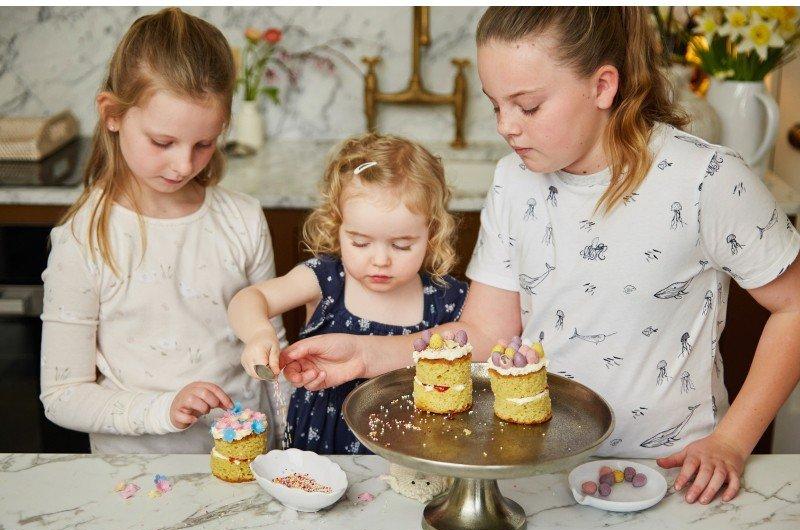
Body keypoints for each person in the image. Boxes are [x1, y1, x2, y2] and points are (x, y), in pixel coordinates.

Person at [280, 7, 800, 504]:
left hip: (672, 473)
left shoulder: (707, 179)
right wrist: (365, 355)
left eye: (527, 106)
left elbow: (793, 306)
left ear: (602, 86)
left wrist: (732, 441)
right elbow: (486, 335)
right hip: (538, 470)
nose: (506, 125)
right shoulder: (513, 180)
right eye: (495, 104)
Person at [40, 8, 287, 453]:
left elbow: (272, 349)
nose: (183, 165)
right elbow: (62, 396)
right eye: (162, 142)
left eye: (204, 144)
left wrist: (289, 447)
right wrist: (163, 409)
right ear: (112, 114)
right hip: (132, 479)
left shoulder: (243, 219)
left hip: (248, 467)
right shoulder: (83, 240)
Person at [228, 133, 468, 453]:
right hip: (323, 445)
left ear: (432, 233)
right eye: (360, 242)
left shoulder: (448, 298)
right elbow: (248, 299)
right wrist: (259, 333)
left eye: (401, 245)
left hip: (412, 449)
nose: (380, 260)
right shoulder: (326, 279)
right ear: (336, 225)